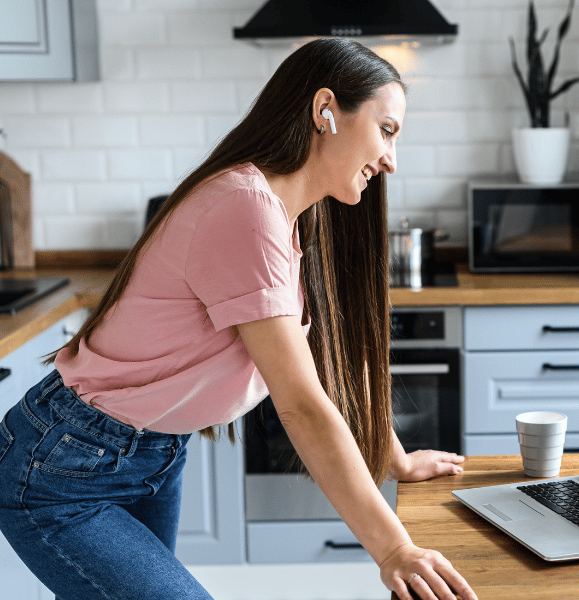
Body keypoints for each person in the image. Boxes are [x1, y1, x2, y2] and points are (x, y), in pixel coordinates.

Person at [0, 39, 476, 600]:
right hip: (65, 468)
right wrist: (394, 549)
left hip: (150, 452)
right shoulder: (243, 208)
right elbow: (300, 403)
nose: (391, 158)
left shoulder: (290, 216)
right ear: (326, 110)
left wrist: (391, 456)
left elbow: (328, 356)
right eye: (387, 130)